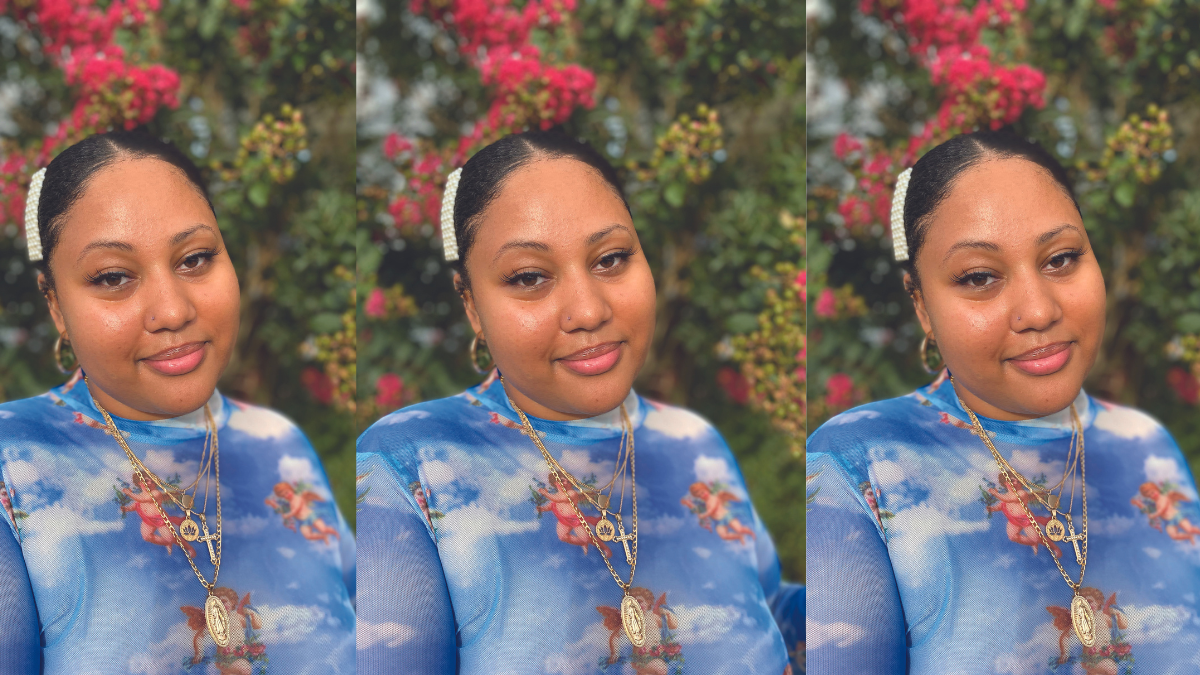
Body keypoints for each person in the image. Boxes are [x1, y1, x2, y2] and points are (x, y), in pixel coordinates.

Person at [356, 130, 803, 674]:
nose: (588, 311)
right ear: (472, 307)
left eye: (611, 259)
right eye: (529, 277)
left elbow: (769, 608)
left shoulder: (693, 440)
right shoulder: (408, 464)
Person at [806, 130, 1200, 673]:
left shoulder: (1145, 444)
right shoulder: (855, 466)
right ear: (921, 306)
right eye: (979, 277)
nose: (1038, 311)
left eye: (1061, 259)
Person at [0, 131, 355, 674]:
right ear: (55, 305)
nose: (172, 311)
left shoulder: (279, 442)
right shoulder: (14, 466)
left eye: (194, 259)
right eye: (113, 277)